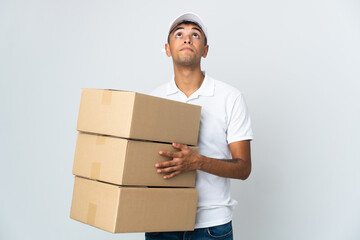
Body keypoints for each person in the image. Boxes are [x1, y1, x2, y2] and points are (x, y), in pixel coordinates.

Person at [146, 12, 253, 240]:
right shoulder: (152, 101)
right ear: (167, 49)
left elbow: (244, 168)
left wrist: (197, 161)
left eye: (195, 34)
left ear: (205, 50)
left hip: (212, 226)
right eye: (179, 34)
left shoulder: (230, 97)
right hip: (161, 223)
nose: (187, 39)